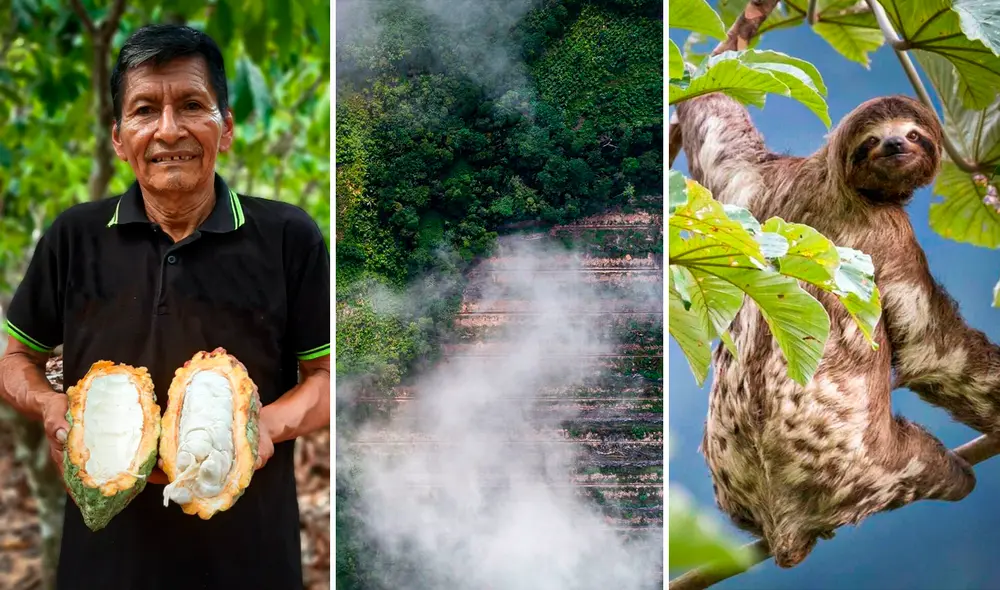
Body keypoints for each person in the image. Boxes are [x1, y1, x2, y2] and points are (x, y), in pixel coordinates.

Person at [0, 24, 330, 590]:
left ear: (227, 127)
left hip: (247, 560)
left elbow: (328, 376)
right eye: (145, 110)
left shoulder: (286, 237)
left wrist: (262, 428)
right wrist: (50, 407)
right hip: (104, 565)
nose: (169, 129)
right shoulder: (75, 236)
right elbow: (13, 359)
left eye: (192, 105)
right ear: (118, 138)